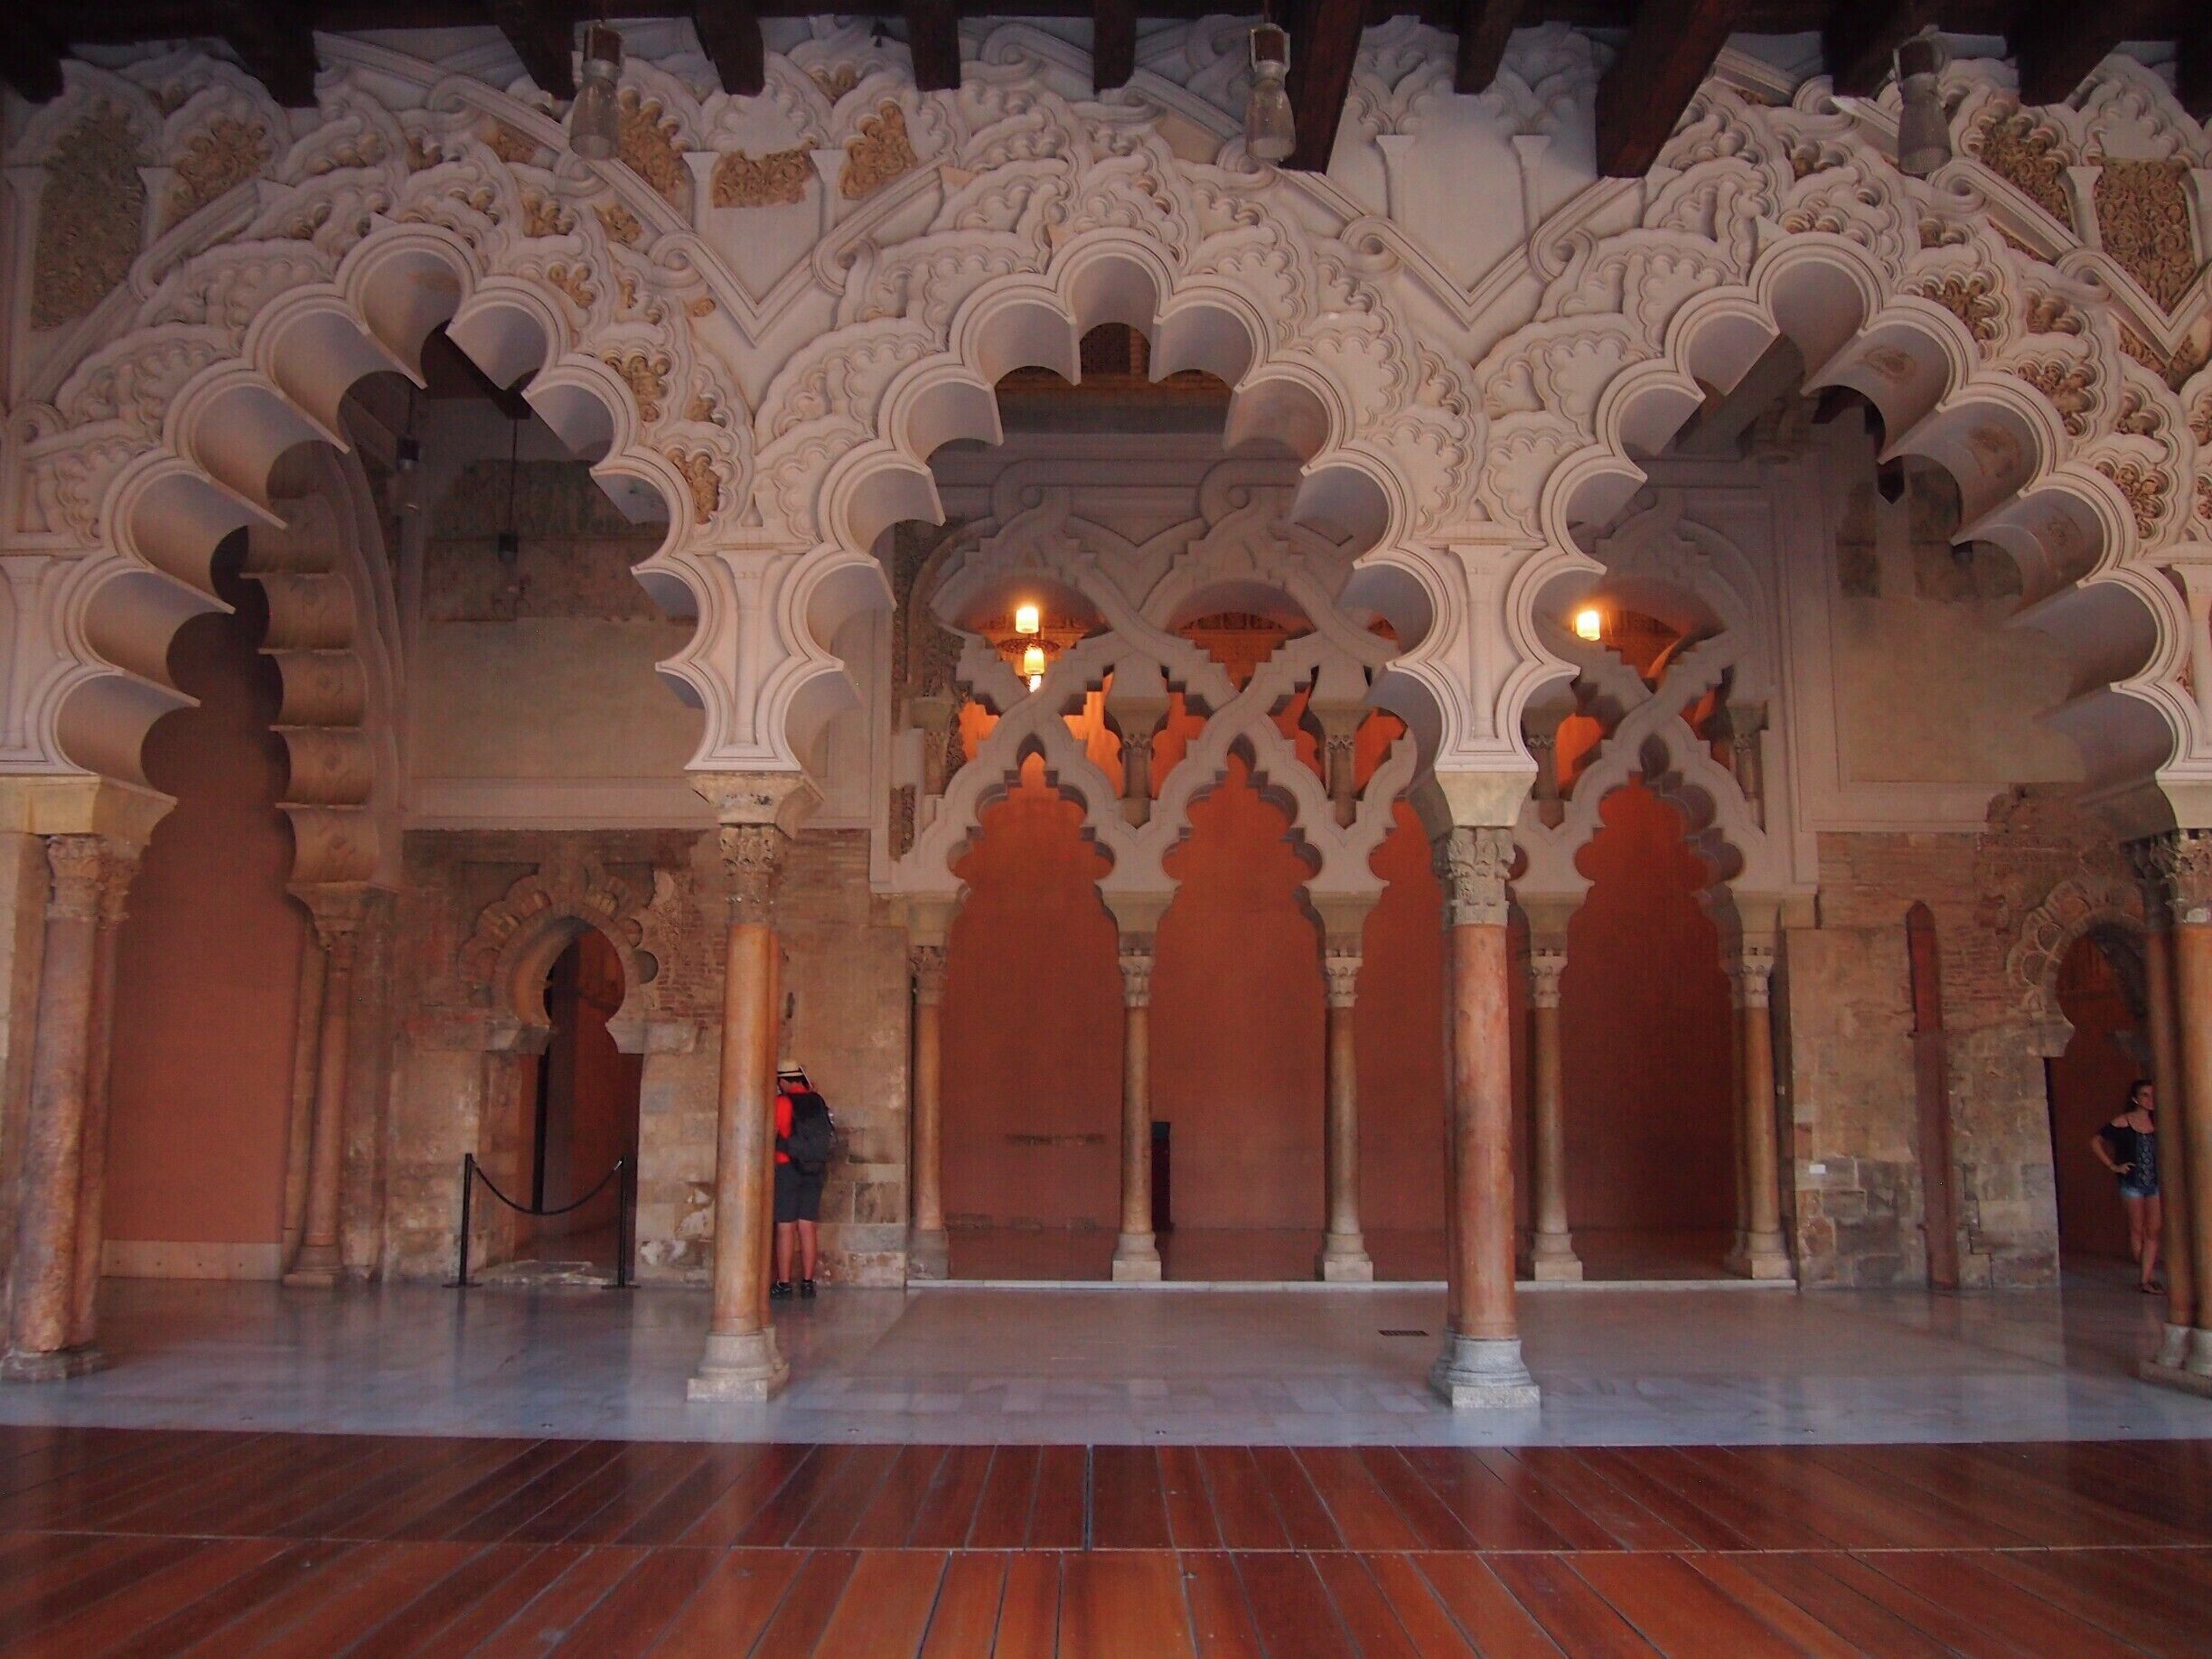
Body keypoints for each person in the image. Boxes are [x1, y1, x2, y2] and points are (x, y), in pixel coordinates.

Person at [2091, 1079, 2161, 1294]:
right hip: (2132, 1183)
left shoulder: (2158, 1122)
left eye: (2152, 1095)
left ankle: (2145, 1276)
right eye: (2145, 1095)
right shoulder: (2123, 1121)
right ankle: (2145, 1278)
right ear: (2135, 1098)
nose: (2150, 1100)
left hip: (2154, 1182)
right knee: (2137, 1229)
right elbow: (2096, 1141)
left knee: (2154, 1230)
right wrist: (2113, 1166)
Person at [771, 1061, 834, 1300]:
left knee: (786, 1227)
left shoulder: (782, 1102)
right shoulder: (817, 1100)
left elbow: (774, 1132)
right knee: (808, 1227)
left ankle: (784, 1283)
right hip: (814, 1168)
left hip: (787, 1167)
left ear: (783, 1081)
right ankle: (808, 1282)